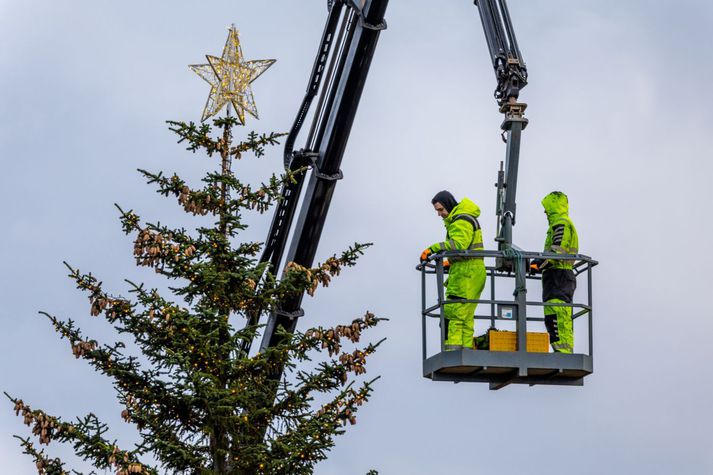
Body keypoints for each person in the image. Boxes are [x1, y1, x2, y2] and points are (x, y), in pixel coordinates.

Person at [420, 191, 486, 350]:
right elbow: (465, 250)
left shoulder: (460, 221)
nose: (439, 214)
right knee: (465, 316)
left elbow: (459, 245)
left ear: (449, 205)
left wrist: (432, 249)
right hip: (472, 272)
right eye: (437, 211)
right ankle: (466, 350)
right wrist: (451, 262)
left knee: (453, 313)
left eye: (441, 209)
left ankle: (453, 351)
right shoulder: (464, 218)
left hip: (465, 275)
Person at [530, 191, 579, 353]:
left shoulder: (561, 224)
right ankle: (562, 351)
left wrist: (539, 264)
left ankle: (564, 353)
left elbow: (557, 250)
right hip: (555, 277)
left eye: (547, 208)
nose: (545, 212)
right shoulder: (558, 224)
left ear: (553, 207)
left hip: (559, 276)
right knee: (554, 317)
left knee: (558, 317)